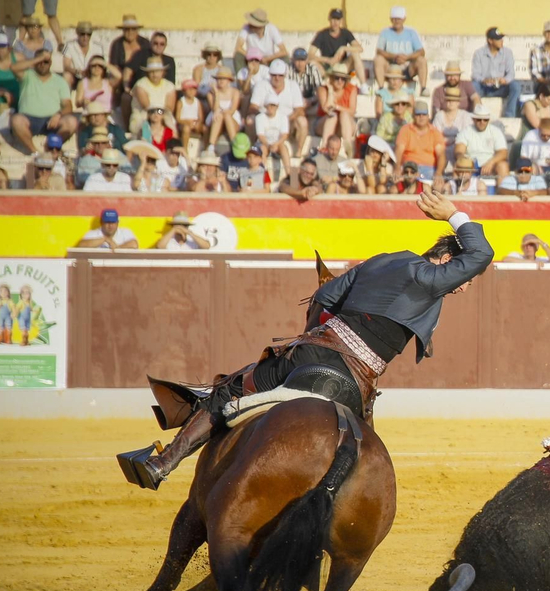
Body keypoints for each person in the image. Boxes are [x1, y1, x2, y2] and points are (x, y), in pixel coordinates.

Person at [119, 191, 493, 489]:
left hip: (309, 355)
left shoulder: (384, 260)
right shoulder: (430, 279)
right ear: (444, 260)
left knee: (232, 388)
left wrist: (315, 338)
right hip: (355, 381)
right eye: (464, 279)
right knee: (365, 455)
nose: (463, 286)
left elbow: (326, 296)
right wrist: (453, 215)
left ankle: (161, 463)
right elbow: (481, 253)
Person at [11, 52, 75, 149]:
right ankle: (35, 152)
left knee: (72, 122)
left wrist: (58, 115)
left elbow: (68, 106)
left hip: (52, 121)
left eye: (45, 61)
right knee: (16, 120)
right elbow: (13, 67)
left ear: (50, 63)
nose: (42, 64)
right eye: (39, 61)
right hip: (28, 120)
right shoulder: (27, 75)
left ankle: (52, 148)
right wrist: (39, 58)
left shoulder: (60, 81)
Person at [374, 6, 427, 87]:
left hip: (408, 67)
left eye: (399, 19)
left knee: (421, 60)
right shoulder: (385, 32)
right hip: (390, 67)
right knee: (378, 59)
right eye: (394, 19)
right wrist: (394, 57)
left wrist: (407, 57)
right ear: (391, 20)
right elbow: (379, 51)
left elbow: (421, 52)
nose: (396, 21)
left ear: (404, 19)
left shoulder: (411, 32)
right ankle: (381, 88)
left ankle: (423, 88)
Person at [471, 27, 518, 118]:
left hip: (501, 87)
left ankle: (509, 115)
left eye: (501, 39)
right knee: (473, 85)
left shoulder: (507, 52)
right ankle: (478, 114)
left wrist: (505, 80)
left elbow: (511, 73)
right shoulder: (479, 53)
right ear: (490, 41)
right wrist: (485, 80)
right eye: (498, 39)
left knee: (515, 85)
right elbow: (475, 74)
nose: (501, 41)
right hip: (484, 87)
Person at [457, 104, 510, 182]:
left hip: (491, 165)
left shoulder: (495, 131)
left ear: (488, 120)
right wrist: (466, 162)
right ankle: (459, 191)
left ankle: (502, 192)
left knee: (503, 166)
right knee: (459, 165)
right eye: (479, 119)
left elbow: (503, 153)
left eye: (485, 120)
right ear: (473, 119)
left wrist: (490, 163)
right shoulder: (466, 132)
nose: (482, 122)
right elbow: (459, 151)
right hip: (471, 165)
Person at [311, 8, 359, 76]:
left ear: (341, 20)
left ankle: (363, 85)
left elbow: (359, 48)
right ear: (329, 19)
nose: (335, 22)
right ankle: (326, 78)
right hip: (327, 67)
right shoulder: (322, 34)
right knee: (311, 62)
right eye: (333, 19)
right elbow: (310, 55)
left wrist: (343, 48)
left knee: (355, 54)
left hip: (342, 66)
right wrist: (328, 60)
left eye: (338, 19)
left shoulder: (346, 33)